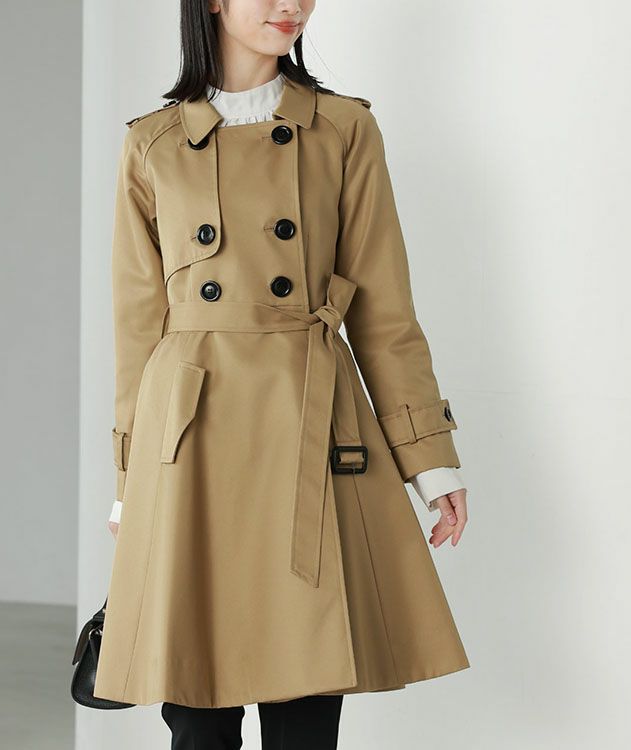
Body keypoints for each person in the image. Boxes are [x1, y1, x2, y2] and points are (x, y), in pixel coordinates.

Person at [94, 1, 471, 747]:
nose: (290, 4)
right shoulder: (151, 144)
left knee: (306, 701)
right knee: (196, 713)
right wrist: (129, 478)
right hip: (189, 444)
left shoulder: (344, 129)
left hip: (309, 423)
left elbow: (385, 310)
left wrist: (429, 459)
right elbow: (138, 331)